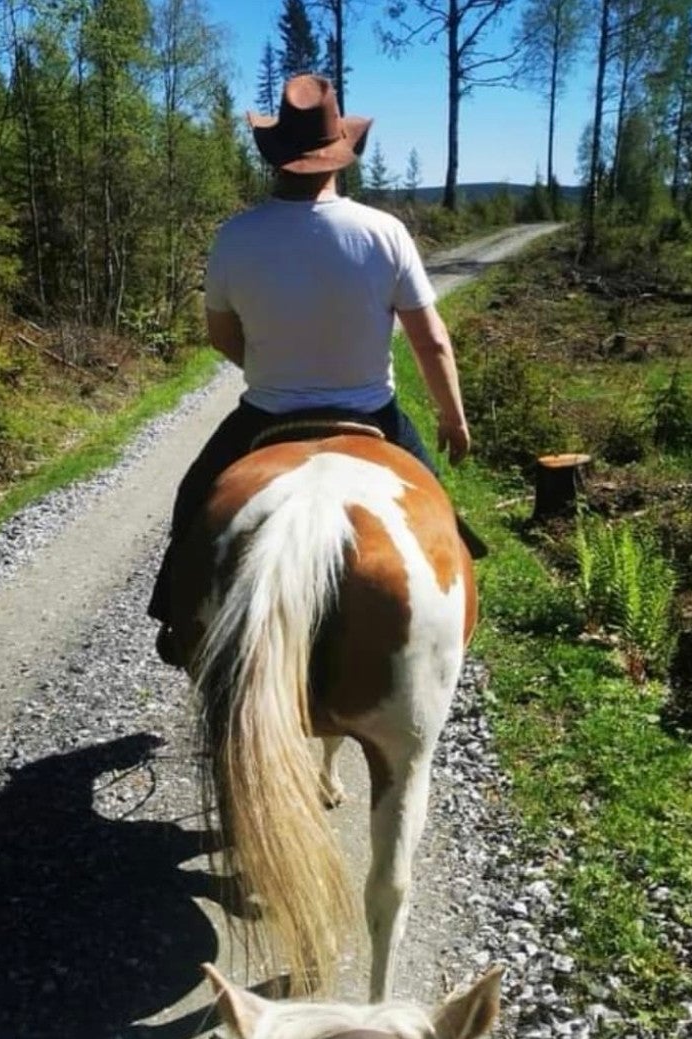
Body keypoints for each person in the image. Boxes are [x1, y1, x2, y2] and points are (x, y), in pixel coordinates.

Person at [149, 73, 480, 667]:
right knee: (443, 525)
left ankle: (173, 621)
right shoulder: (385, 233)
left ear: (275, 158)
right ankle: (449, 626)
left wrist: (274, 367)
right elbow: (430, 341)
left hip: (266, 415)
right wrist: (453, 422)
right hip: (373, 413)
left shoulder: (236, 237)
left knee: (192, 499)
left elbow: (221, 336)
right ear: (339, 155)